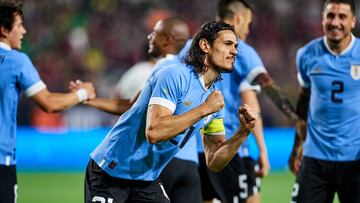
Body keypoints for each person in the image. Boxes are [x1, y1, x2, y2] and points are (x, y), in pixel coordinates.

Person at [84, 21, 258, 203]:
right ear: (205, 45)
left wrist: (242, 132)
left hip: (146, 179)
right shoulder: (175, 75)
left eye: (236, 46)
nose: (235, 51)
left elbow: (214, 161)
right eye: (228, 44)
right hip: (111, 171)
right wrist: (204, 109)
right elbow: (154, 132)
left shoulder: (214, 100)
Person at [74, 18, 202, 203]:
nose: (150, 37)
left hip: (145, 164)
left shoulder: (166, 68)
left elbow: (131, 106)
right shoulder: (189, 73)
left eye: (155, 33)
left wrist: (86, 98)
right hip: (177, 164)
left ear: (167, 39)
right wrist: (88, 99)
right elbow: (134, 106)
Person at [198, 1, 303, 202]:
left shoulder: (193, 46)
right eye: (248, 23)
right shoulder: (240, 50)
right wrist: (295, 118)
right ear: (239, 19)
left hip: (195, 147)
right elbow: (265, 87)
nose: (247, 29)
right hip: (228, 144)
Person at [0, 2, 95, 203]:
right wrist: (83, 94)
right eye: (19, 25)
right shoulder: (16, 61)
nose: (23, 31)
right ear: (3, 29)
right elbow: (49, 102)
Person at [288, 0, 360, 202]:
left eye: (342, 17)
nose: (335, 22)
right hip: (315, 157)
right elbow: (303, 101)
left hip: (355, 158)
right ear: (322, 18)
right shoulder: (306, 54)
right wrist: (297, 147)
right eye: (330, 15)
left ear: (352, 21)